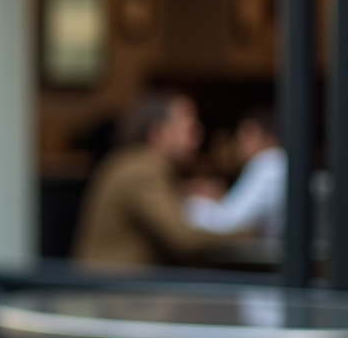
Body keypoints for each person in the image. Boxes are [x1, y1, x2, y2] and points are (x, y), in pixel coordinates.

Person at [72, 92, 235, 266]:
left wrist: (186, 193)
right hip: (117, 281)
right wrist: (246, 233)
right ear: (158, 133)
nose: (198, 136)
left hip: (121, 279)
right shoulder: (142, 171)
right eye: (189, 129)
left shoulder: (135, 162)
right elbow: (185, 240)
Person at [184, 107, 285, 239]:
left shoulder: (268, 164)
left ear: (269, 138)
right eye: (240, 135)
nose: (240, 141)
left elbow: (230, 222)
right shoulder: (270, 163)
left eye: (248, 135)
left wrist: (188, 201)